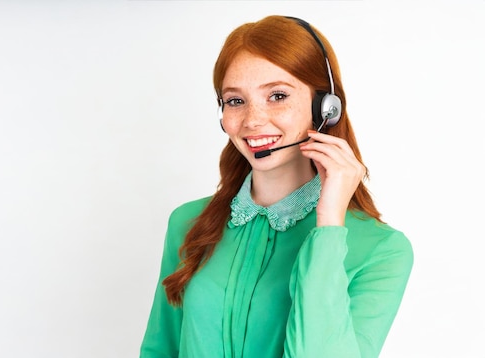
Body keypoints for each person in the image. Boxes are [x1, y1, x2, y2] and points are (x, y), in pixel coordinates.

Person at [140, 15, 413, 358]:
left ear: (325, 108)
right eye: (235, 101)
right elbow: (159, 349)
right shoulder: (187, 223)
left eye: (278, 95)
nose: (253, 120)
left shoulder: (382, 250)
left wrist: (329, 225)